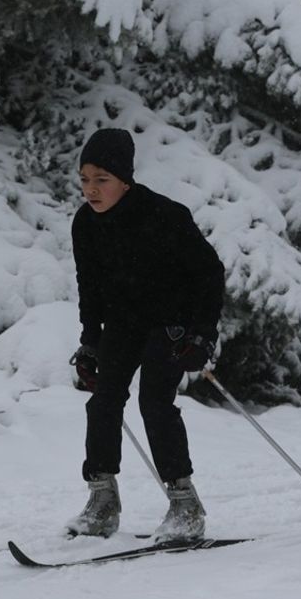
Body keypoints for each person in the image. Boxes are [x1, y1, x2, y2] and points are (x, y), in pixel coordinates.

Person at [66, 127, 225, 543]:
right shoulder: (85, 224)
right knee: (103, 402)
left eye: (101, 180)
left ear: (125, 179)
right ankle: (102, 504)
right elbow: (90, 285)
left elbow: (209, 272)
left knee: (154, 401)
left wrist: (204, 334)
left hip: (173, 323)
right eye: (84, 179)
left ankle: (185, 507)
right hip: (123, 322)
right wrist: (89, 341)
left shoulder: (164, 216)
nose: (91, 190)